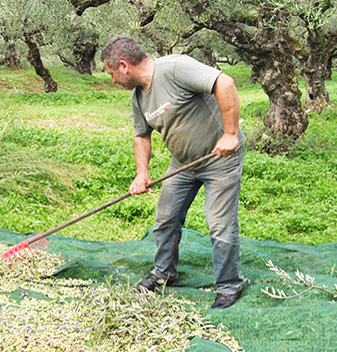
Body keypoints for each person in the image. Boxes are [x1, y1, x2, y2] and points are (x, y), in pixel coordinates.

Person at [100, 35, 245, 309]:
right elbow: (141, 135)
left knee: (219, 225)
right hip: (183, 164)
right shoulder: (139, 97)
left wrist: (230, 134)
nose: (113, 81)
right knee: (165, 219)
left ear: (123, 66)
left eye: (111, 74)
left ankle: (228, 285)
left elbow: (224, 83)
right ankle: (164, 273)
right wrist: (141, 173)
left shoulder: (175, 68)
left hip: (219, 160)